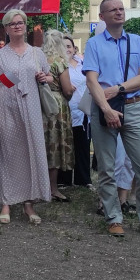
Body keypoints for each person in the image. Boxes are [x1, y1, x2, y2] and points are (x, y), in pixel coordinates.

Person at [83, 0, 140, 239]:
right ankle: (113, 218)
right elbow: (92, 80)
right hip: (104, 108)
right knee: (108, 168)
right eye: (113, 9)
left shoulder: (137, 41)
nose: (119, 12)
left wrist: (119, 88)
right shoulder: (94, 44)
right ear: (102, 16)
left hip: (133, 107)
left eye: (121, 9)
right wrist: (106, 109)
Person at [0, 10, 52, 224]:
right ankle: (6, 203)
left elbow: (50, 76)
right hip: (7, 109)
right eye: (12, 23)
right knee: (7, 153)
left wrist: (44, 77)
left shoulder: (36, 53)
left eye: (20, 22)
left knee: (30, 152)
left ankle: (28, 204)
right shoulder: (0, 55)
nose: (17, 26)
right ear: (5, 28)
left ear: (25, 25)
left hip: (31, 109)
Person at [41, 29, 75, 202]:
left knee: (43, 145)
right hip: (56, 105)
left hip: (41, 105)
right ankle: (53, 189)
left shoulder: (39, 60)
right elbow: (67, 89)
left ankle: (40, 187)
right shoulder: (60, 62)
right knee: (54, 145)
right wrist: (71, 92)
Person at [63, 34, 92, 188]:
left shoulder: (83, 63)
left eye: (69, 46)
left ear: (74, 48)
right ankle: (64, 179)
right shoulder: (57, 65)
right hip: (65, 110)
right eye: (63, 46)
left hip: (83, 111)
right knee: (66, 145)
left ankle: (83, 179)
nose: (67, 49)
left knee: (83, 145)